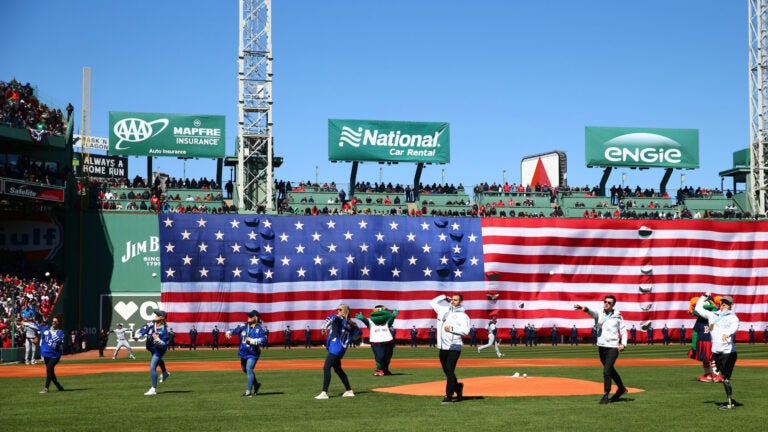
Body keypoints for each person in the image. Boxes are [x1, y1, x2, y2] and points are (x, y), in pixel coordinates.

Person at [574, 295, 628, 404]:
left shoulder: (618, 315)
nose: (606, 303)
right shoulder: (599, 312)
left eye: (609, 302)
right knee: (610, 370)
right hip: (602, 346)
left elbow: (623, 330)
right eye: (605, 301)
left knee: (606, 370)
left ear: (613, 305)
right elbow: (592, 312)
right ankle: (621, 388)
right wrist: (585, 309)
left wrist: (623, 344)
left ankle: (605, 395)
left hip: (613, 346)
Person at [695, 294, 740, 410]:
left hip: (728, 352)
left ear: (731, 305)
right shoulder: (712, 315)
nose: (724, 304)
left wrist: (728, 333)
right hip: (717, 352)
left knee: (725, 378)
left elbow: (735, 326)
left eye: (727, 302)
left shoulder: (733, 317)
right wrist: (704, 296)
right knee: (724, 377)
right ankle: (730, 400)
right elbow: (697, 309)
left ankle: (730, 403)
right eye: (722, 302)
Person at [314, 304, 361, 399]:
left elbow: (330, 318)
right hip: (340, 350)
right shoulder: (350, 324)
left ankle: (324, 392)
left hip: (335, 348)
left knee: (326, 367)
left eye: (340, 309)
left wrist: (323, 328)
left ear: (345, 311)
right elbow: (358, 333)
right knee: (338, 369)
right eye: (337, 309)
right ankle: (349, 391)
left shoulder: (338, 318)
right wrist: (350, 340)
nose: (337, 311)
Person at [430, 293, 470, 404]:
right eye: (452, 299)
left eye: (456, 300)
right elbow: (432, 303)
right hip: (442, 346)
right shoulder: (443, 310)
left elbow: (466, 331)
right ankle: (458, 387)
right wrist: (443, 297)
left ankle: (448, 395)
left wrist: (452, 328)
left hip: (454, 346)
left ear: (460, 302)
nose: (453, 301)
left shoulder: (463, 316)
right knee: (448, 371)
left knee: (449, 369)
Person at [226, 310, 268, 397]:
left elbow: (264, 340)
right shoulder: (244, 326)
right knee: (244, 369)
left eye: (250, 316)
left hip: (253, 353)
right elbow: (234, 330)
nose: (248, 317)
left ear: (255, 318)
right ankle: (256, 384)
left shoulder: (259, 329)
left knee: (249, 369)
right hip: (243, 352)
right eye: (248, 316)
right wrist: (229, 332)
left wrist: (252, 340)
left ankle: (248, 392)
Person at [135, 310, 170, 396]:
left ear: (162, 318)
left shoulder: (164, 330)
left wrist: (157, 339)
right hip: (152, 348)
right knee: (159, 361)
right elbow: (142, 330)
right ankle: (165, 372)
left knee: (152, 367)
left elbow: (164, 344)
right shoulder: (151, 324)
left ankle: (153, 389)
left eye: (157, 315)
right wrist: (137, 336)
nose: (155, 315)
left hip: (159, 350)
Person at [39, 314, 65, 393]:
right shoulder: (47, 329)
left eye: (55, 322)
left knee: (49, 369)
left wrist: (52, 332)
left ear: (58, 324)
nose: (53, 323)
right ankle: (58, 385)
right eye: (53, 321)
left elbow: (58, 341)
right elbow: (38, 327)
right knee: (50, 371)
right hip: (47, 353)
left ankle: (46, 388)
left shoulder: (60, 332)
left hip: (55, 355)